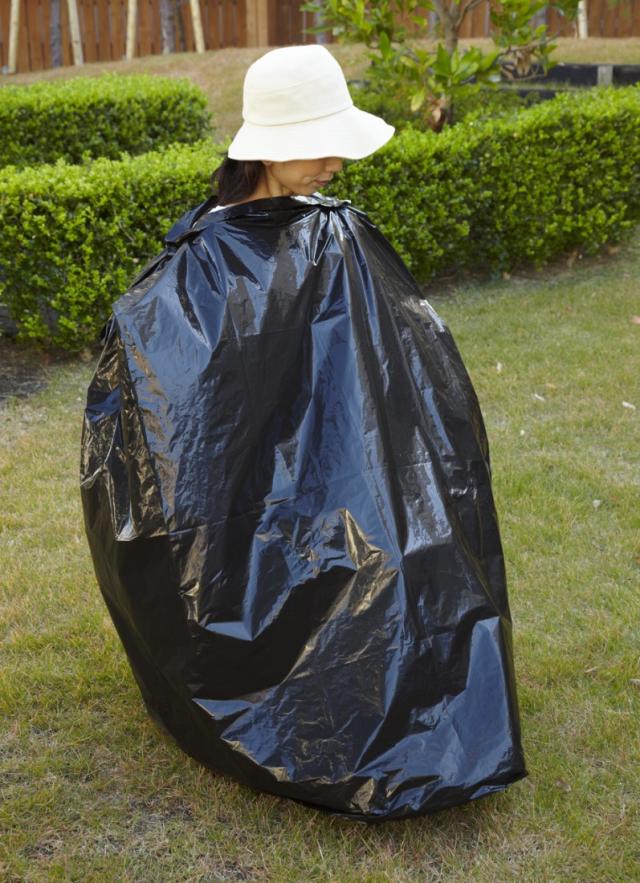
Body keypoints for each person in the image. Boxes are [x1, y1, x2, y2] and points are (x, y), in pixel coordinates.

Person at [81, 44, 526, 822]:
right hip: (262, 496)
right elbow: (188, 422)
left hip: (350, 471)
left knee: (404, 554)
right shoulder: (199, 267)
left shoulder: (337, 233)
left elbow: (392, 366)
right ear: (267, 146)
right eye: (320, 144)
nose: (335, 163)